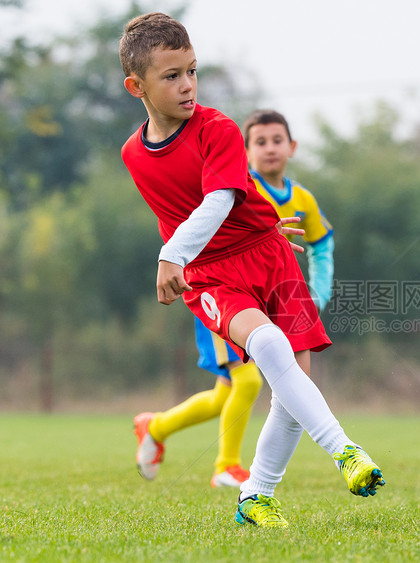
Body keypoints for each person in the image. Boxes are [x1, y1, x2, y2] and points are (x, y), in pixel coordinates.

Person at [118, 12, 384, 527]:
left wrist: (256, 230)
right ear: (137, 87)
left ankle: (255, 497)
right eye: (171, 76)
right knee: (266, 349)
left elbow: (221, 197)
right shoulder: (134, 154)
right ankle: (345, 451)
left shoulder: (215, 128)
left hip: (271, 258)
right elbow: (179, 211)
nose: (187, 85)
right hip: (213, 274)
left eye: (192, 71)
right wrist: (176, 254)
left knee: (289, 392)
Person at [132, 109, 334, 490]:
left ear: (292, 147)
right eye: (260, 142)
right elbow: (212, 219)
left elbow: (322, 244)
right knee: (246, 383)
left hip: (273, 291)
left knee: (223, 394)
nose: (270, 149)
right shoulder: (234, 181)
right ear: (245, 151)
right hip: (222, 291)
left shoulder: (302, 198)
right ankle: (227, 465)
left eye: (277, 141)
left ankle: (154, 426)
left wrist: (317, 293)